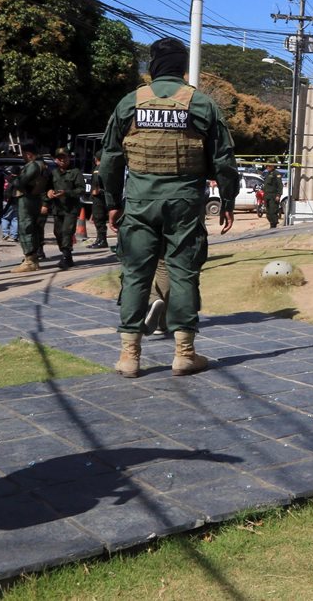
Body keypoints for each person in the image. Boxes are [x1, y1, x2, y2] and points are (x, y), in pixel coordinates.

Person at [99, 36, 239, 378]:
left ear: (153, 65)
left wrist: (113, 203)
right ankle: (184, 354)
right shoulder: (202, 105)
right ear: (182, 66)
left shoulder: (130, 103)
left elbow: (110, 160)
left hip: (139, 201)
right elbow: (223, 159)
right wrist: (228, 199)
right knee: (184, 274)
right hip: (185, 203)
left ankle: (130, 355)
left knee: (135, 275)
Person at [11, 143, 49, 273]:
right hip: (34, 199)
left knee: (25, 227)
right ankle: (33, 259)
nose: (23, 157)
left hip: (27, 199)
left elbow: (21, 182)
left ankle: (29, 261)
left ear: (28, 154)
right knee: (33, 229)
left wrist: (13, 178)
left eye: (23, 154)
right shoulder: (42, 164)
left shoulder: (33, 165)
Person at [46, 148, 84, 270]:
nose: (62, 160)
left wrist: (66, 193)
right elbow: (48, 187)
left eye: (65, 158)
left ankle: (66, 257)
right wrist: (49, 192)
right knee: (58, 232)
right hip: (57, 208)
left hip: (70, 208)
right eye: (59, 158)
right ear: (56, 159)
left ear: (69, 158)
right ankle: (67, 255)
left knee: (67, 232)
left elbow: (81, 190)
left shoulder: (75, 172)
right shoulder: (53, 173)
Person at [89, 153, 110, 249]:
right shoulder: (107, 167)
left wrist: (96, 190)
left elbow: (97, 180)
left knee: (99, 219)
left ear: (95, 158)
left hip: (99, 197)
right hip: (104, 196)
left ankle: (102, 240)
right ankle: (100, 239)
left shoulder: (98, 168)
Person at [262, 163, 283, 229]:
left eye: (269, 166)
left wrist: (278, 195)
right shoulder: (268, 174)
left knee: (272, 211)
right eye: (267, 166)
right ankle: (272, 223)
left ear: (272, 166)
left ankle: (274, 224)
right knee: (268, 212)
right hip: (267, 195)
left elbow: (280, 185)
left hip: (273, 196)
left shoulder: (276, 174)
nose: (267, 167)